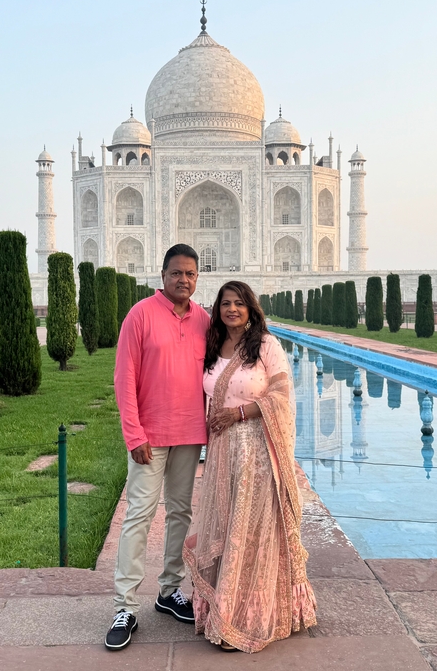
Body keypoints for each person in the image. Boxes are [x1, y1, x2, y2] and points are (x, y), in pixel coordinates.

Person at [185, 281, 317, 653]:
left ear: (250, 308)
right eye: (226, 304)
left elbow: (281, 394)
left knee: (251, 530)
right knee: (226, 528)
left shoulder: (265, 345)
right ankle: (222, 610)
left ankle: (244, 618)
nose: (232, 310)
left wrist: (238, 413)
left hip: (258, 452)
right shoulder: (214, 345)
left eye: (239, 303)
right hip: (223, 453)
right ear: (218, 309)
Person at [106, 244, 210, 651]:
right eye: (176, 273)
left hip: (189, 435)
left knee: (180, 514)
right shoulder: (141, 314)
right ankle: (125, 606)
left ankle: (169, 592)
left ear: (197, 278)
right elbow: (123, 378)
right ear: (162, 275)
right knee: (139, 516)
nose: (183, 280)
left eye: (190, 274)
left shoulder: (203, 319)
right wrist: (134, 434)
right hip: (150, 437)